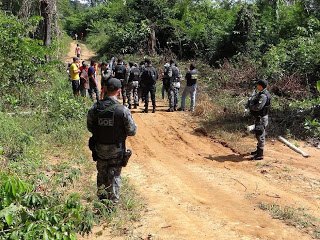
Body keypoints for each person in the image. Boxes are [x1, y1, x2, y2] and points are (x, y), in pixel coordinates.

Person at [87, 78, 137, 203]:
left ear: (104, 89)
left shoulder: (95, 108)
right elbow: (132, 131)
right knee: (114, 175)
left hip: (99, 149)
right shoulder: (123, 110)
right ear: (119, 91)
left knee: (101, 173)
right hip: (116, 150)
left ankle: (102, 201)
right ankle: (113, 204)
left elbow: (90, 127)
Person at [246, 79, 271, 160]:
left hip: (261, 118)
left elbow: (258, 107)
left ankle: (260, 155)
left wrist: (250, 106)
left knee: (260, 135)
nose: (256, 86)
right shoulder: (261, 93)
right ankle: (258, 151)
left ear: (261, 86)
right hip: (259, 117)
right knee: (258, 134)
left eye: (257, 85)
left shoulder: (263, 96)